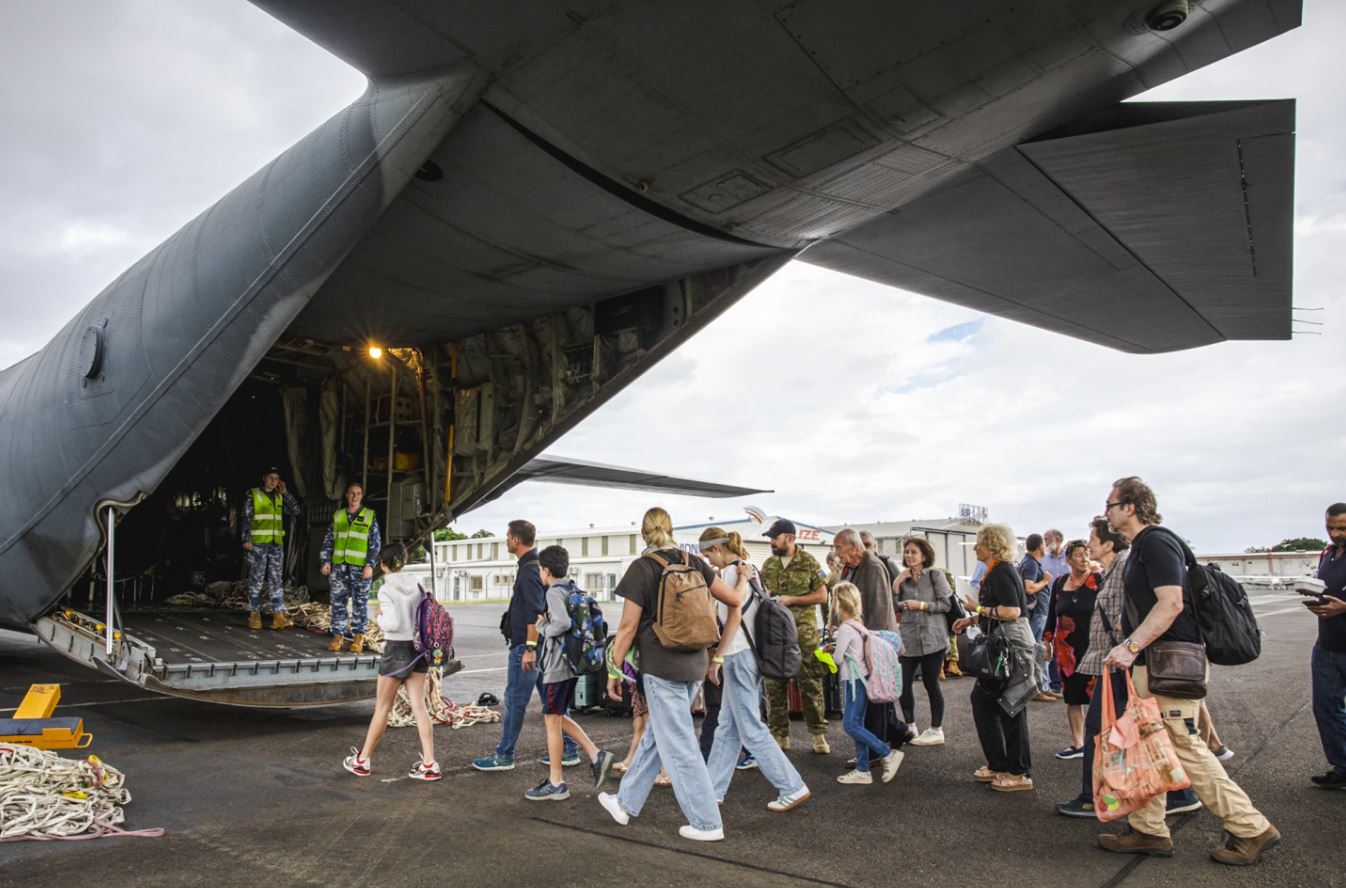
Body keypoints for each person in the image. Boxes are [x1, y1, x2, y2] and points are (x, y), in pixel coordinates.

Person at [1098, 476, 1279, 866]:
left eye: (1110, 505)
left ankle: (1251, 827)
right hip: (1155, 664)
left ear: (1130, 507)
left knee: (1184, 746)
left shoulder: (1156, 542)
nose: (1106, 513)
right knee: (1148, 745)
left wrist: (1130, 646)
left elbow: (1171, 603)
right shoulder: (1143, 546)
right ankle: (1149, 829)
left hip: (1170, 663)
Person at [597, 507, 752, 842]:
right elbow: (734, 600)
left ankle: (706, 822)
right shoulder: (694, 561)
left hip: (661, 667)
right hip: (694, 665)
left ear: (644, 534)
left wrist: (614, 668)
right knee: (658, 736)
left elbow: (627, 627)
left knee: (679, 745)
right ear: (671, 529)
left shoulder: (642, 567)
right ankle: (624, 803)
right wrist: (743, 577)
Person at [1056, 517, 1200, 819]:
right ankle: (1177, 793)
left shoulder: (1124, 567)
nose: (1088, 545)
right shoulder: (1113, 569)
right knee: (1134, 729)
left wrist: (1129, 645)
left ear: (1108, 544)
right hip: (1116, 661)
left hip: (1121, 662)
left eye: (1093, 539)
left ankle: (1095, 797)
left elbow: (1143, 609)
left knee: (1101, 730)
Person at [698, 528, 811, 811]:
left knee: (749, 728)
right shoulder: (749, 570)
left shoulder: (729, 574)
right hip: (752, 655)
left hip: (737, 655)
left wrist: (717, 658)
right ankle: (712, 791)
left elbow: (733, 617)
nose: (709, 561)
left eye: (708, 554)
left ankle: (792, 786)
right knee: (728, 728)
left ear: (718, 549)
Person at [473, 520, 578, 771]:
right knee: (552, 702)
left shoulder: (530, 570)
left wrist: (529, 648)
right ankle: (569, 749)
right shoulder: (533, 566)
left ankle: (504, 755)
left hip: (528, 647)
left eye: (507, 536)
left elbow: (535, 612)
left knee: (515, 700)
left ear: (515, 540)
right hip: (541, 647)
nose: (506, 540)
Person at [524, 545, 615, 801]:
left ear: (545, 570)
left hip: (558, 665)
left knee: (552, 721)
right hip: (572, 663)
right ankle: (595, 755)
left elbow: (562, 623)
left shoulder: (554, 592)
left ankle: (557, 782)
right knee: (556, 716)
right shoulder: (571, 588)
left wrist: (542, 627)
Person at [342, 544, 440, 781]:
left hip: (396, 649)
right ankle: (429, 764)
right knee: (419, 707)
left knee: (383, 708)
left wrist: (378, 618)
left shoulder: (386, 589)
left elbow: (393, 624)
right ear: (403, 562)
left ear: (383, 564)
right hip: (418, 648)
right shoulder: (417, 584)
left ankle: (362, 761)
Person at [952, 523, 1036, 792]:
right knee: (986, 701)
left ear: (992, 546)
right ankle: (1000, 764)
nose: (975, 548)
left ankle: (1019, 772)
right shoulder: (997, 571)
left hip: (1011, 647)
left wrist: (975, 609)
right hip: (1003, 643)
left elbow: (1012, 611)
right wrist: (971, 619)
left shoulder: (1001, 571)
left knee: (1011, 706)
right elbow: (1004, 610)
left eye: (979, 543)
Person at [836, 528, 910, 758]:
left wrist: (865, 646)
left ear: (853, 547)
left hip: (875, 644)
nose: (836, 553)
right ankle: (898, 731)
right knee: (877, 697)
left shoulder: (873, 568)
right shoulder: (851, 568)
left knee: (875, 702)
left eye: (839, 548)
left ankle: (875, 753)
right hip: (866, 641)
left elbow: (879, 611)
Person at [759, 519, 830, 754]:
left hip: (803, 634)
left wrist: (793, 600)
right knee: (774, 685)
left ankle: (817, 734)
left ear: (789, 538)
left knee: (810, 684)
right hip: (775, 634)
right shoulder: (769, 564)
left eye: (775, 538)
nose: (771, 542)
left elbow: (822, 596)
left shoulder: (808, 562)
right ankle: (779, 735)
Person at [829, 582, 903, 785]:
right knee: (858, 724)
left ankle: (887, 753)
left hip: (854, 682)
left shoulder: (845, 628)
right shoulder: (857, 624)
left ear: (838, 603)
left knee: (850, 725)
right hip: (863, 680)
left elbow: (838, 659)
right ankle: (863, 770)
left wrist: (831, 650)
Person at [1043, 539, 1100, 760]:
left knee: (1098, 696)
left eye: (1087, 554)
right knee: (1073, 697)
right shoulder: (1059, 583)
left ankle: (1100, 742)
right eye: (1079, 554)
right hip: (1067, 651)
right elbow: (1052, 614)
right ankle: (1078, 743)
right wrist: (1047, 640)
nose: (1084, 558)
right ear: (1068, 559)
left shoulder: (1098, 580)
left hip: (1094, 646)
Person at [893, 537, 951, 746]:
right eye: (907, 551)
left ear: (924, 556)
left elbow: (946, 605)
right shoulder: (902, 578)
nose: (909, 555)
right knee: (902, 684)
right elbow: (893, 607)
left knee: (931, 683)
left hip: (933, 638)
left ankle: (936, 730)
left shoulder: (935, 575)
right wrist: (897, 585)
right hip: (908, 638)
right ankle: (910, 727)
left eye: (914, 552)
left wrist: (922, 605)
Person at [1304, 502, 1346, 789]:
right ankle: (1343, 767)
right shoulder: (1327, 553)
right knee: (1326, 708)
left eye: (1342, 528)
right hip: (1327, 646)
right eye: (1331, 528)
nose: (1336, 533)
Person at [320, 481, 381, 653]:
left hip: (360, 568)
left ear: (362, 496)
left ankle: (358, 637)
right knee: (337, 602)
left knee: (359, 603)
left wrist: (370, 565)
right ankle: (338, 636)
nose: (355, 497)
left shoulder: (369, 515)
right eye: (352, 493)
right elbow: (328, 541)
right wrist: (325, 561)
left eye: (358, 493)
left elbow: (375, 544)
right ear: (346, 495)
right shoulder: (338, 515)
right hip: (339, 567)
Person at [240, 466, 301, 630]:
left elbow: (296, 510)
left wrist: (285, 493)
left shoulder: (280, 495)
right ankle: (254, 613)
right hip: (258, 543)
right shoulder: (253, 494)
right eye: (270, 477)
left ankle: (277, 615)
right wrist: (246, 538)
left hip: (275, 544)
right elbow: (246, 517)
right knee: (257, 579)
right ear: (264, 478)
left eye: (276, 478)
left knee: (276, 580)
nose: (274, 481)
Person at [1018, 533, 1057, 700]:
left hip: (1039, 611)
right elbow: (1029, 588)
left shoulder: (1028, 562)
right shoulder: (1031, 564)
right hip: (1037, 612)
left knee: (1040, 648)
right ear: (1040, 547)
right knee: (1036, 649)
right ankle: (1036, 688)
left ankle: (1043, 685)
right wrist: (1046, 581)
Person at [1042, 529, 1069, 694]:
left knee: (1068, 642)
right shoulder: (1044, 560)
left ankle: (1067, 677)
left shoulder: (1069, 558)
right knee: (1050, 642)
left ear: (1057, 539)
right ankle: (1055, 682)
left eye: (1047, 539)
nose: (1045, 542)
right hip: (1049, 606)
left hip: (1068, 607)